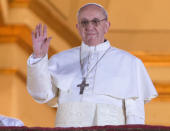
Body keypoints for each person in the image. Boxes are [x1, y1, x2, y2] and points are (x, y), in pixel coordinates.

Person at [27, 3, 158, 127]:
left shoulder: (129, 63)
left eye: (95, 21)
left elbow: (135, 113)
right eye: (84, 22)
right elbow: (41, 95)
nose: (89, 27)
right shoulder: (60, 60)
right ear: (78, 27)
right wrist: (39, 58)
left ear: (106, 26)